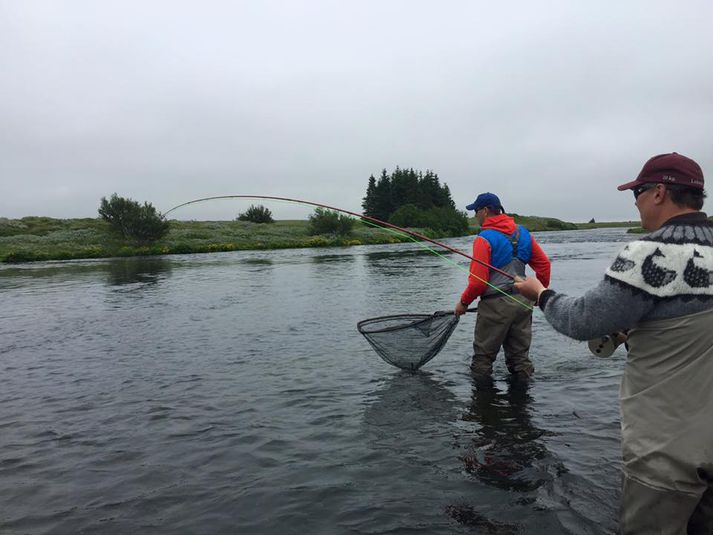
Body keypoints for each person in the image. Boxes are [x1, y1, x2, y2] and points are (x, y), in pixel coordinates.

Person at [514, 152, 713, 533]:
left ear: (658, 192)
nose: (635, 203)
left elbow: (582, 320)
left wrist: (540, 295)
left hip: (669, 451)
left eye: (636, 193)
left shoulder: (648, 255)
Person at [454, 192, 551, 381]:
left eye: (476, 211)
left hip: (495, 306)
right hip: (523, 303)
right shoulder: (523, 233)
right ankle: (522, 406)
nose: (475, 215)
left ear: (485, 211)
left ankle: (483, 407)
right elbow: (544, 265)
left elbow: (477, 282)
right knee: (520, 360)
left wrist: (464, 303)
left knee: (483, 360)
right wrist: (539, 293)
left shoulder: (484, 238)